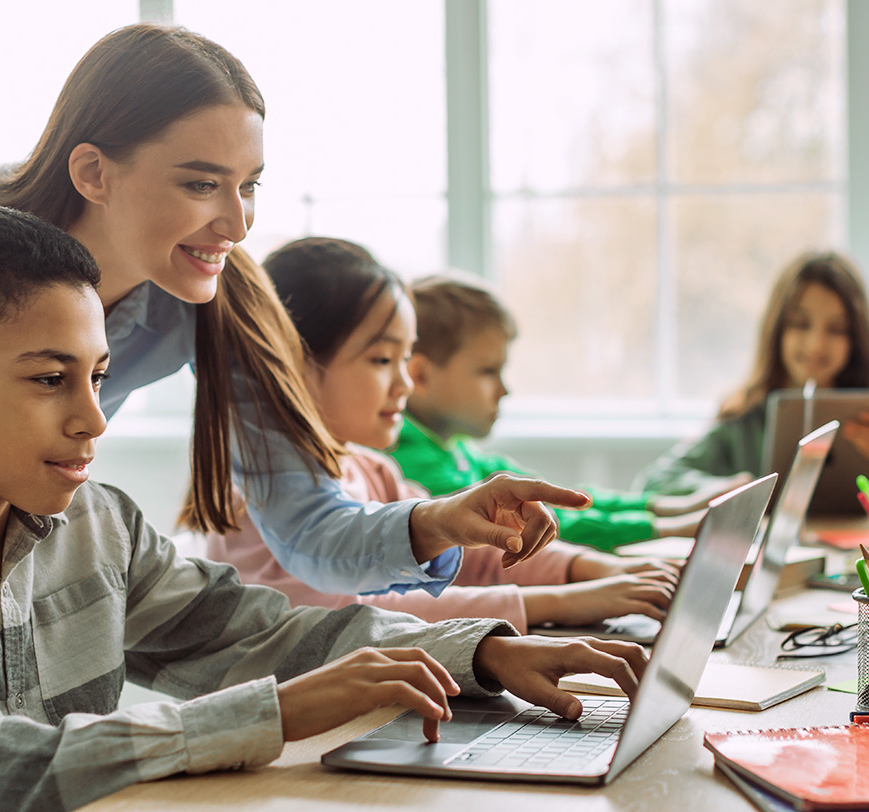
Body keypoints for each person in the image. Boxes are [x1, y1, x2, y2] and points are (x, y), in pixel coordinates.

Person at [0, 204, 648, 812]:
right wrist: (273, 713)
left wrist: (488, 654)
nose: (90, 419)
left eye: (98, 378)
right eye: (50, 380)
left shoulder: (96, 524)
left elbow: (270, 636)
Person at [0, 23, 586, 595]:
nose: (237, 225)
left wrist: (441, 520)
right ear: (93, 171)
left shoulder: (212, 303)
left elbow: (306, 528)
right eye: (202, 184)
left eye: (249, 185)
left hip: (2, 486)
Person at [207, 238, 678, 632]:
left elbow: (472, 555)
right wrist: (564, 602)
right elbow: (358, 620)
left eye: (405, 359)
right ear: (295, 361)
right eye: (381, 360)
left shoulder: (375, 470)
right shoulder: (261, 498)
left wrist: (601, 571)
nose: (405, 384)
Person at [387, 273, 726, 552]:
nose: (505, 390)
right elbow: (540, 526)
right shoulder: (405, 459)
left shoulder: (454, 448)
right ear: (420, 375)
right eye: (488, 371)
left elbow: (557, 498)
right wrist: (669, 526)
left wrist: (665, 507)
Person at [634, 250, 869, 495]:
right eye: (800, 324)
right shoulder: (743, 419)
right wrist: (729, 490)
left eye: (836, 329)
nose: (816, 345)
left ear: (856, 339)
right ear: (777, 330)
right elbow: (654, 482)